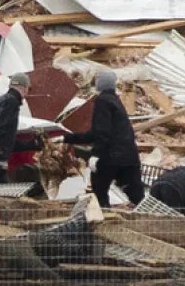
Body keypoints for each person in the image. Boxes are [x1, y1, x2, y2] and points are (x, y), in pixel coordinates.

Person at [61, 71, 145, 208]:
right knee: (137, 196)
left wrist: (96, 155)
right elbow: (96, 134)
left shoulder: (102, 101)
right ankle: (152, 219)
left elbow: (101, 133)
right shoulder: (116, 101)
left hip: (110, 157)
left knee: (100, 192)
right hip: (129, 156)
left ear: (99, 84)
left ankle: (105, 219)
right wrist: (67, 138)